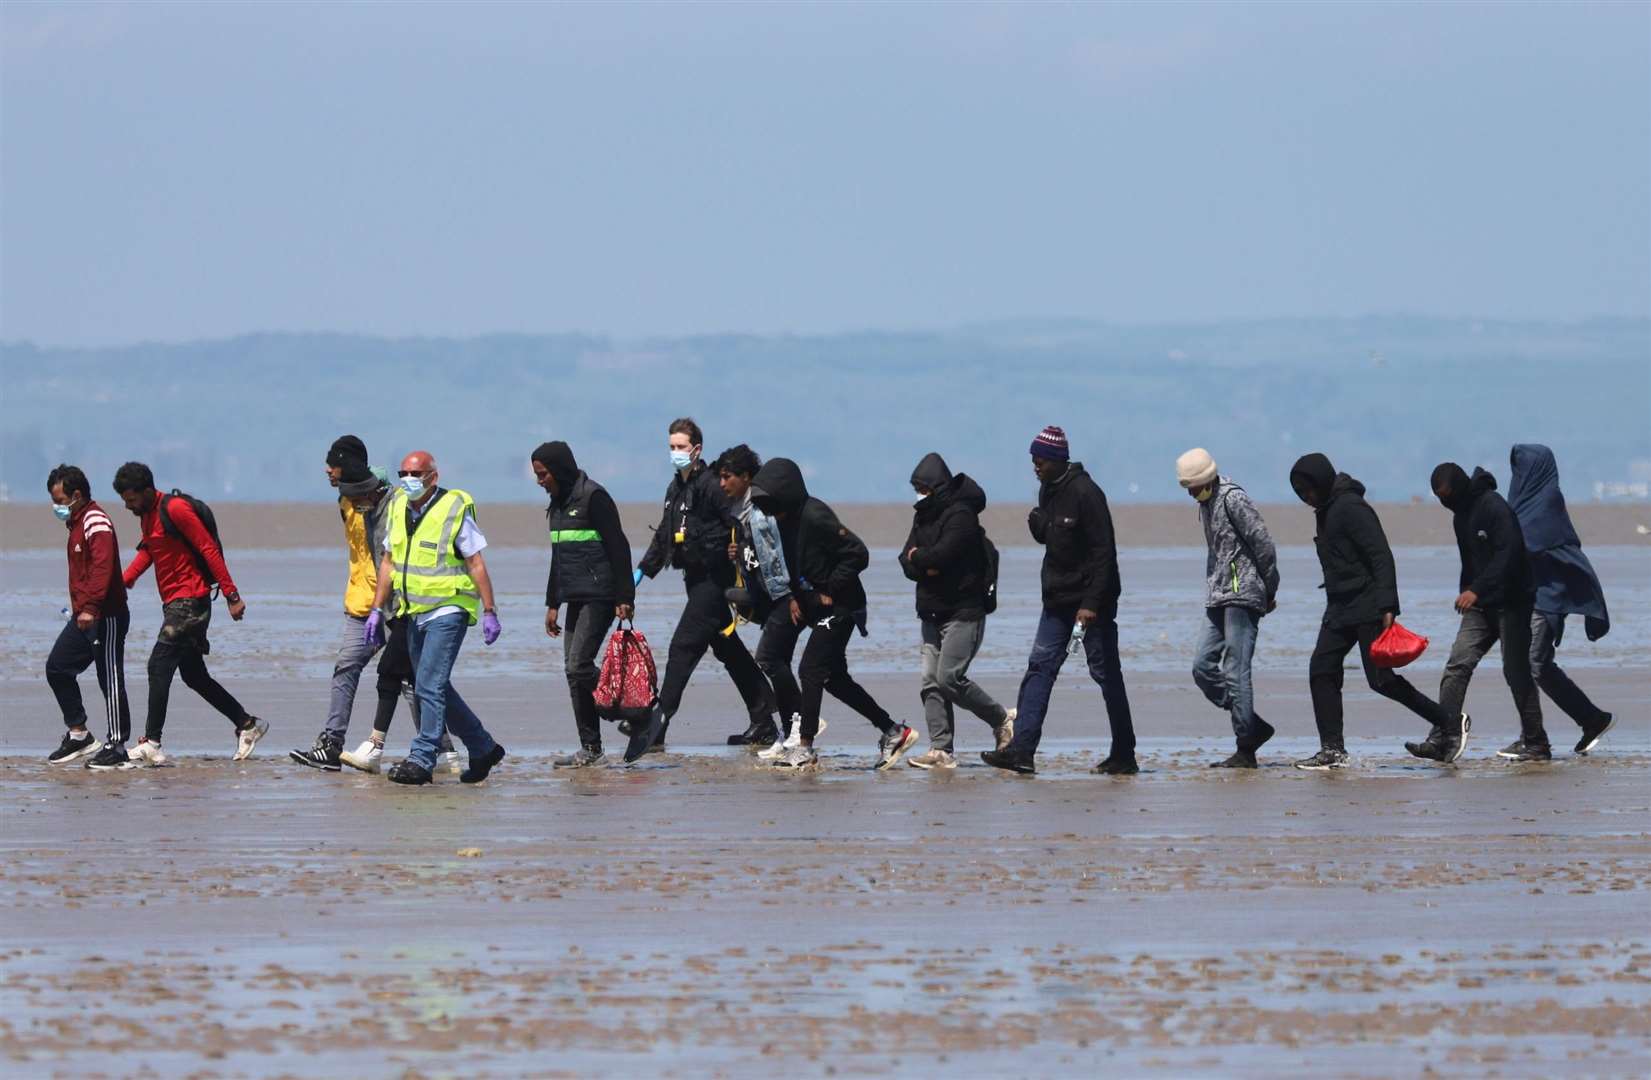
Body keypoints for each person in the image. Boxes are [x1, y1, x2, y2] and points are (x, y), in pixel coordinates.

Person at [982, 426, 1136, 776]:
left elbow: (1104, 553)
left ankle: (1124, 753)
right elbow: (1055, 540)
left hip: (1089, 605)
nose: (1034, 465)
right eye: (1032, 459)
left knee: (1106, 675)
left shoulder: (1086, 493)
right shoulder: (1047, 491)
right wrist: (1039, 525)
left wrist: (1091, 604)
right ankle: (1021, 751)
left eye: (1040, 460)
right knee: (1039, 669)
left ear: (1056, 460)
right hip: (1056, 601)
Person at [1288, 453, 1457, 770]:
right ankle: (1332, 751)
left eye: (1307, 489)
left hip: (1367, 605)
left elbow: (1380, 555)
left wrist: (1388, 605)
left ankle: (1448, 722)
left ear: (1322, 481)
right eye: (1299, 492)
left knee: (1381, 680)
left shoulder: (1351, 507)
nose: (1305, 497)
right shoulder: (1325, 510)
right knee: (1321, 670)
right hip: (1339, 607)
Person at [750, 457, 917, 770]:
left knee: (810, 669)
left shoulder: (815, 514)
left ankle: (805, 748)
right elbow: (796, 565)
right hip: (817, 605)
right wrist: (799, 597)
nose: (768, 510)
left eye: (770, 502)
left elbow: (858, 553)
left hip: (843, 605)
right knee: (835, 679)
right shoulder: (784, 520)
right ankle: (893, 731)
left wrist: (831, 587)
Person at [291, 437, 444, 773]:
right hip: (362, 603)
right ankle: (332, 746)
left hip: (397, 604)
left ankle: (440, 748)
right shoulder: (346, 501)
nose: (327, 471)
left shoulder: (393, 501)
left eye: (333, 465)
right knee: (347, 666)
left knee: (411, 678)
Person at [365, 451, 507, 786]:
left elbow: (475, 563)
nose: (409, 479)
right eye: (404, 473)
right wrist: (375, 609)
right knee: (429, 683)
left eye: (416, 473)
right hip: (414, 612)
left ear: (433, 476)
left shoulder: (453, 510)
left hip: (449, 610)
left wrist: (489, 610)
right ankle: (482, 746)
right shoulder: (398, 508)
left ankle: (423, 758)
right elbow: (388, 562)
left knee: (428, 683)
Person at [635, 418, 776, 752]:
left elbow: (736, 523)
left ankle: (657, 725)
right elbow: (664, 536)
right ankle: (766, 719)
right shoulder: (675, 489)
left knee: (682, 647)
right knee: (728, 650)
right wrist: (640, 572)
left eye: (681, 447)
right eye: (671, 447)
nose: (676, 453)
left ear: (696, 449)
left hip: (715, 581)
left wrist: (728, 550)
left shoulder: (713, 484)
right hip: (693, 579)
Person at [115, 462, 265, 766]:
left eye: (131, 500)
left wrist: (231, 595)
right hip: (174, 602)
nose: (128, 506)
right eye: (125, 501)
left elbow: (208, 549)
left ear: (146, 491)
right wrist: (125, 580)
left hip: (191, 600)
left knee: (158, 666)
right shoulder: (147, 516)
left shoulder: (177, 509)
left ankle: (152, 742)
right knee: (194, 676)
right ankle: (247, 724)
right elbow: (150, 551)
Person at [1414, 462, 1539, 764]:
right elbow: (1470, 561)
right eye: (1440, 499)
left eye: (1448, 497)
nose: (1446, 504)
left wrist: (1476, 590)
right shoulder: (1460, 517)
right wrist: (1467, 591)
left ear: (1460, 487)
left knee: (1515, 671)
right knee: (1457, 665)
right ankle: (1444, 734)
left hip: (1513, 602)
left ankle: (1536, 742)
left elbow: (1508, 554)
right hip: (1480, 606)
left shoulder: (1493, 507)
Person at [898, 452, 1013, 769]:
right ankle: (941, 750)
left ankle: (1001, 719)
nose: (918, 493)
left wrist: (922, 559)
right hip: (930, 610)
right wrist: (923, 562)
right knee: (929, 682)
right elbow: (905, 559)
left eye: (922, 487)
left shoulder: (961, 515)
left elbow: (944, 555)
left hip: (963, 610)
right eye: (915, 487)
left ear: (937, 487)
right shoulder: (922, 515)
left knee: (949, 678)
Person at [531, 441, 642, 768]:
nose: (540, 481)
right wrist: (553, 603)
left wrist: (625, 596)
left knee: (579, 665)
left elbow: (619, 548)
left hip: (601, 595)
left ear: (559, 469)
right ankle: (591, 748)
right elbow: (559, 558)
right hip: (574, 596)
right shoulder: (559, 504)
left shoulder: (594, 497)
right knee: (573, 671)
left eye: (543, 474)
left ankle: (636, 716)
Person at [1506, 444, 1614, 758]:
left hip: (1548, 599)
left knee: (1533, 665)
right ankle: (1585, 720)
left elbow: (1533, 540)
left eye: (1522, 467)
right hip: (1529, 598)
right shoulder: (1521, 499)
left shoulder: (1547, 500)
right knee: (1534, 665)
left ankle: (1542, 736)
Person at [1176, 448, 1280, 769]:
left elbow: (1263, 543)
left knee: (1236, 672)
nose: (1191, 494)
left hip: (1244, 593)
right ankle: (1252, 724)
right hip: (1217, 595)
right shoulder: (1205, 504)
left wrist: (1269, 588)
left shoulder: (1233, 499)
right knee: (1202, 667)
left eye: (1194, 487)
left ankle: (1245, 748)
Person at [44, 464, 133, 770]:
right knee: (57, 668)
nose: (57, 507)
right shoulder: (78, 522)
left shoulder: (96, 521)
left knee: (109, 677)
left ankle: (117, 745)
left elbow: (103, 568)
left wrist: (92, 607)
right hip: (84, 615)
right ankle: (79, 733)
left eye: (60, 500)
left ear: (77, 495)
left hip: (105, 615)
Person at [717, 445, 794, 751]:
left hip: (781, 597)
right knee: (777, 661)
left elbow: (776, 557)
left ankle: (797, 729)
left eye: (727, 477)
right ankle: (787, 730)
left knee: (775, 660)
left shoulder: (761, 513)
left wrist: (790, 596)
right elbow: (754, 558)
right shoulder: (738, 512)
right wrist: (737, 554)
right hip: (766, 598)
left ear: (746, 477)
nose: (722, 484)